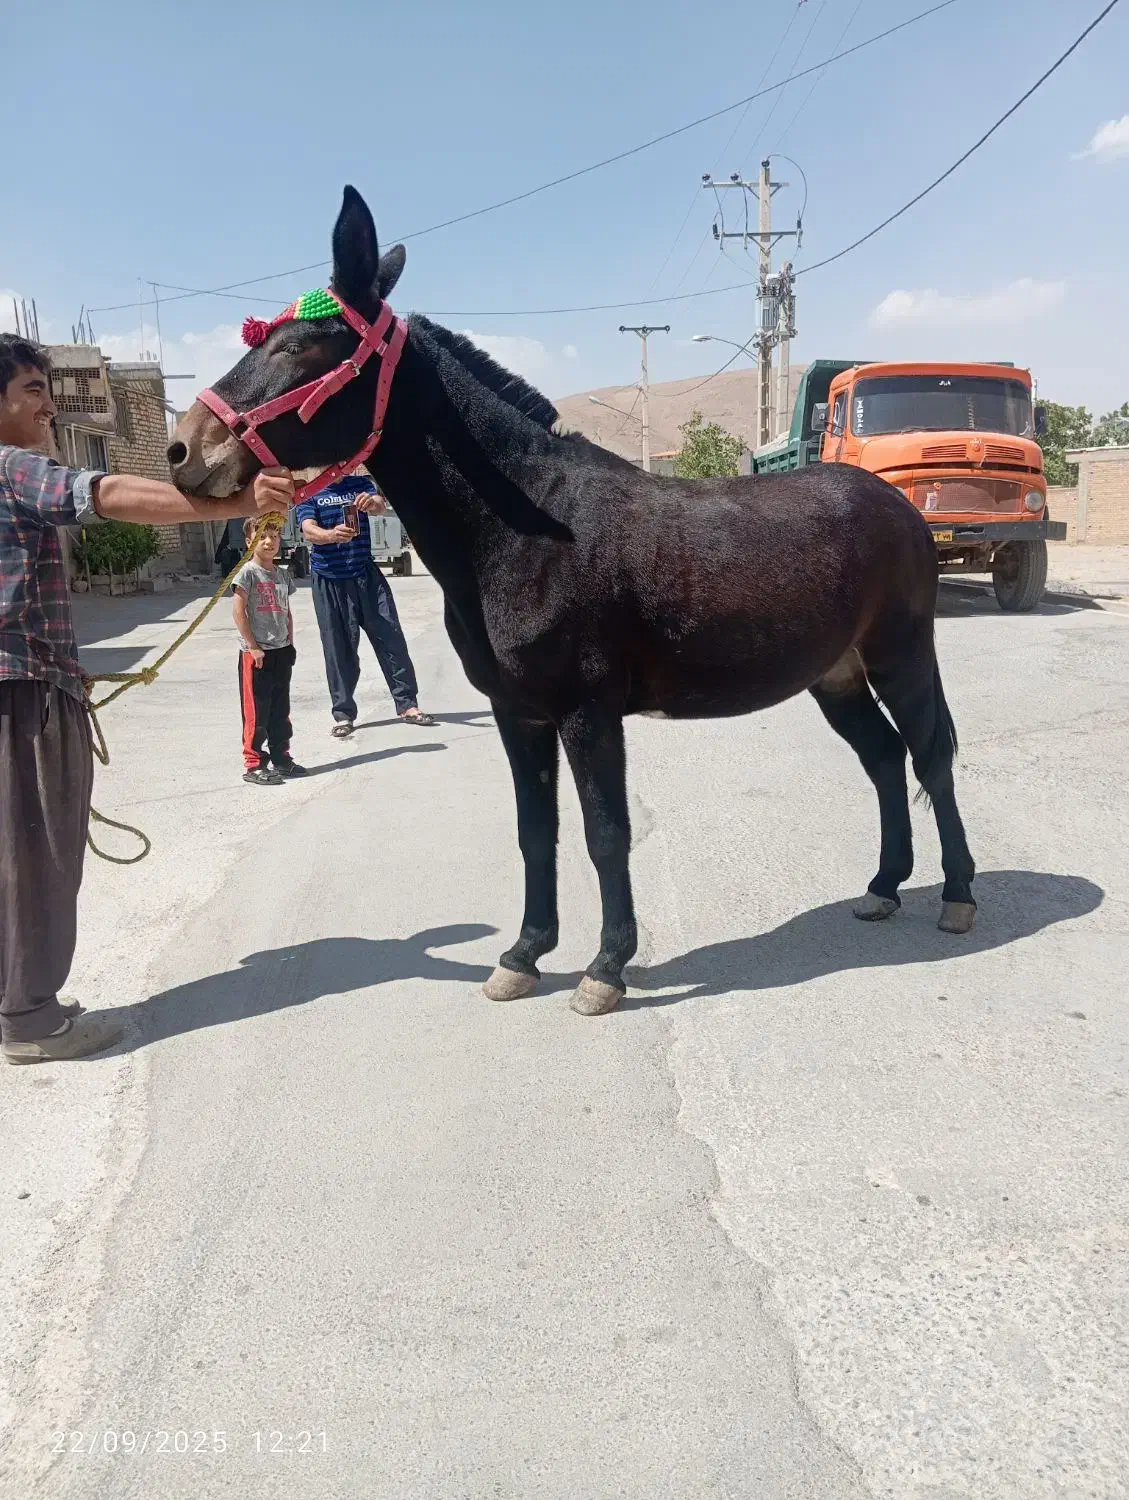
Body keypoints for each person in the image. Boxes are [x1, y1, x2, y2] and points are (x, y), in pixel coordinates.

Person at [0, 333, 295, 1064]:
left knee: (13, 852)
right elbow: (101, 495)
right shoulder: (14, 468)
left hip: (23, 684)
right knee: (37, 854)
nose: (48, 406)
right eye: (33, 390)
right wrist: (233, 501)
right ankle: (31, 1021)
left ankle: (18, 995)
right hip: (25, 695)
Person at [295, 471, 435, 739]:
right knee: (338, 649)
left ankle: (408, 705)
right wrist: (331, 535)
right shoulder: (310, 491)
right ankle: (343, 714)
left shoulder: (360, 483)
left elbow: (380, 505)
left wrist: (372, 503)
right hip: (329, 579)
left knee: (391, 637)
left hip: (365, 573)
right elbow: (309, 529)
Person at [232, 517, 305, 786]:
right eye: (262, 536)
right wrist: (253, 647)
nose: (268, 541)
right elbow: (238, 613)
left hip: (281, 652)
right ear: (249, 541)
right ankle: (254, 764)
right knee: (257, 712)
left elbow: (287, 612)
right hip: (257, 655)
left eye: (273, 536)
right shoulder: (247, 573)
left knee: (280, 710)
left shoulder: (282, 574)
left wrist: (290, 643)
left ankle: (281, 758)